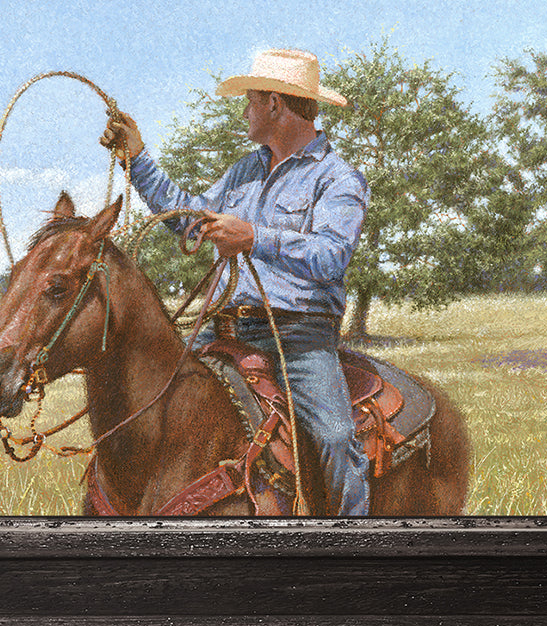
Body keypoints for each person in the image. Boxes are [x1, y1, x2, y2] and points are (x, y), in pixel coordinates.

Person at [101, 48, 371, 516]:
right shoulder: (245, 170)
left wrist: (253, 237)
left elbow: (331, 257)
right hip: (226, 328)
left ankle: (356, 543)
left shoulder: (338, 179)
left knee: (336, 437)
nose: (243, 111)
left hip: (300, 338)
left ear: (275, 104)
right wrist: (137, 157)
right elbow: (189, 218)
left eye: (250, 100)